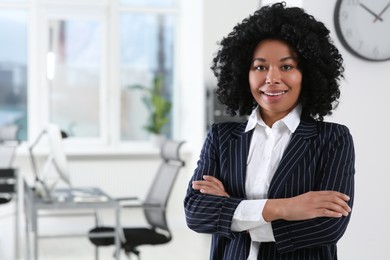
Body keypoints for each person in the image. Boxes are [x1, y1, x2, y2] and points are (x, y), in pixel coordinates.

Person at [184, 2, 355, 260]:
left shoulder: (332, 139)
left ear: (306, 73)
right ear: (245, 72)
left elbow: (328, 227)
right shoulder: (221, 137)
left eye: (286, 66)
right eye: (260, 66)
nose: (271, 78)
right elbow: (197, 212)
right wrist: (287, 207)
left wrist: (234, 213)